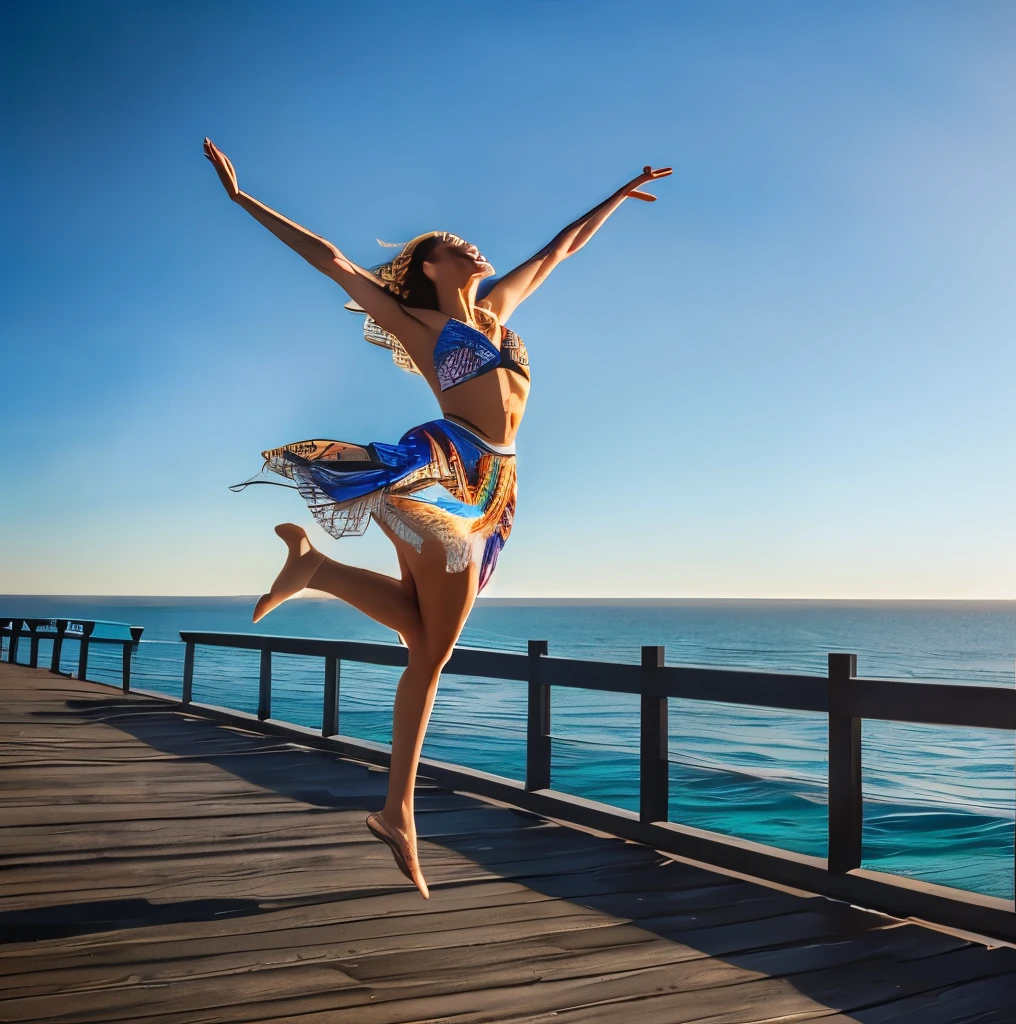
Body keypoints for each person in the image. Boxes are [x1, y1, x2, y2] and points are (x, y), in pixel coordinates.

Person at [205, 138, 670, 897]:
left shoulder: (497, 310)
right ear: (429, 266)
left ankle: (316, 569)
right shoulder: (421, 328)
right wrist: (241, 198)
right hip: (441, 464)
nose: (473, 245)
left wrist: (620, 193)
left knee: (426, 640)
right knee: (430, 654)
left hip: (499, 487)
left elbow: (562, 248)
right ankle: (398, 812)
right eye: (456, 245)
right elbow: (329, 257)